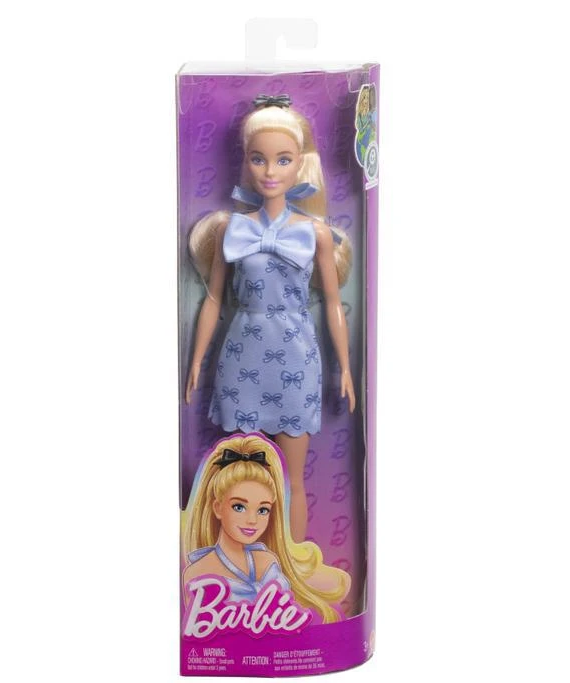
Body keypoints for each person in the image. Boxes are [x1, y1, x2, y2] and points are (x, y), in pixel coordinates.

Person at [185, 94, 356, 543]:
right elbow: (214, 299)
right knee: (242, 479)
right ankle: (246, 563)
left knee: (292, 479)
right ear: (246, 161)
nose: (270, 171)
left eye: (283, 159)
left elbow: (333, 303)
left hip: (297, 358)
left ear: (301, 164)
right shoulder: (232, 229)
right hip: (241, 358)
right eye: (258, 159)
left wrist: (345, 368)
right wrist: (197, 361)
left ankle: (292, 567)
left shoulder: (315, 234)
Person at [183, 434, 349, 623]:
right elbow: (196, 628)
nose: (252, 520)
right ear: (218, 508)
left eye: (263, 510)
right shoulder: (197, 572)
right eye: (239, 507)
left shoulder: (268, 561)